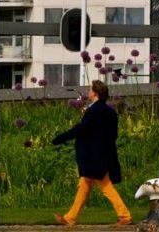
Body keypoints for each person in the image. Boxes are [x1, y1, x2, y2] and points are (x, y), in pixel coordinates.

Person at [51, 80, 131, 226]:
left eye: (90, 90)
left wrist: (59, 138)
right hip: (102, 154)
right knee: (84, 184)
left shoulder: (93, 110)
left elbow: (81, 128)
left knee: (104, 186)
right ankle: (70, 217)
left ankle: (124, 215)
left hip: (92, 156)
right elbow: (113, 135)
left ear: (95, 93)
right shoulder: (110, 111)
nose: (88, 92)